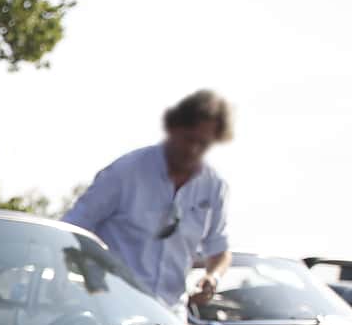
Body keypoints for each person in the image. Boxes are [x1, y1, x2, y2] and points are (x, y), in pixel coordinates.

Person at [63, 89, 233, 308]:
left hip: (170, 315)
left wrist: (213, 277)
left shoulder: (214, 186)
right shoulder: (125, 172)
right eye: (189, 139)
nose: (193, 149)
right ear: (173, 128)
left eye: (203, 143)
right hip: (111, 310)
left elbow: (219, 249)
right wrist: (91, 282)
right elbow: (72, 229)